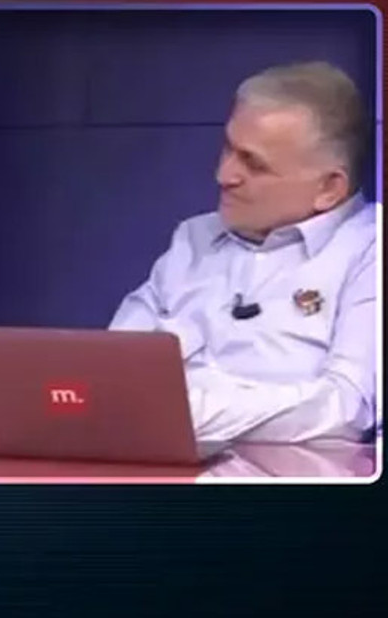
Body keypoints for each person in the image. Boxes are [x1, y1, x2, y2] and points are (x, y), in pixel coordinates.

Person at [110, 61, 377, 444]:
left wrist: (190, 412)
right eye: (228, 149)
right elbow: (110, 371)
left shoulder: (369, 249)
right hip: (158, 464)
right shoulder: (194, 238)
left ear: (329, 189)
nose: (224, 176)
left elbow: (349, 408)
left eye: (253, 164)